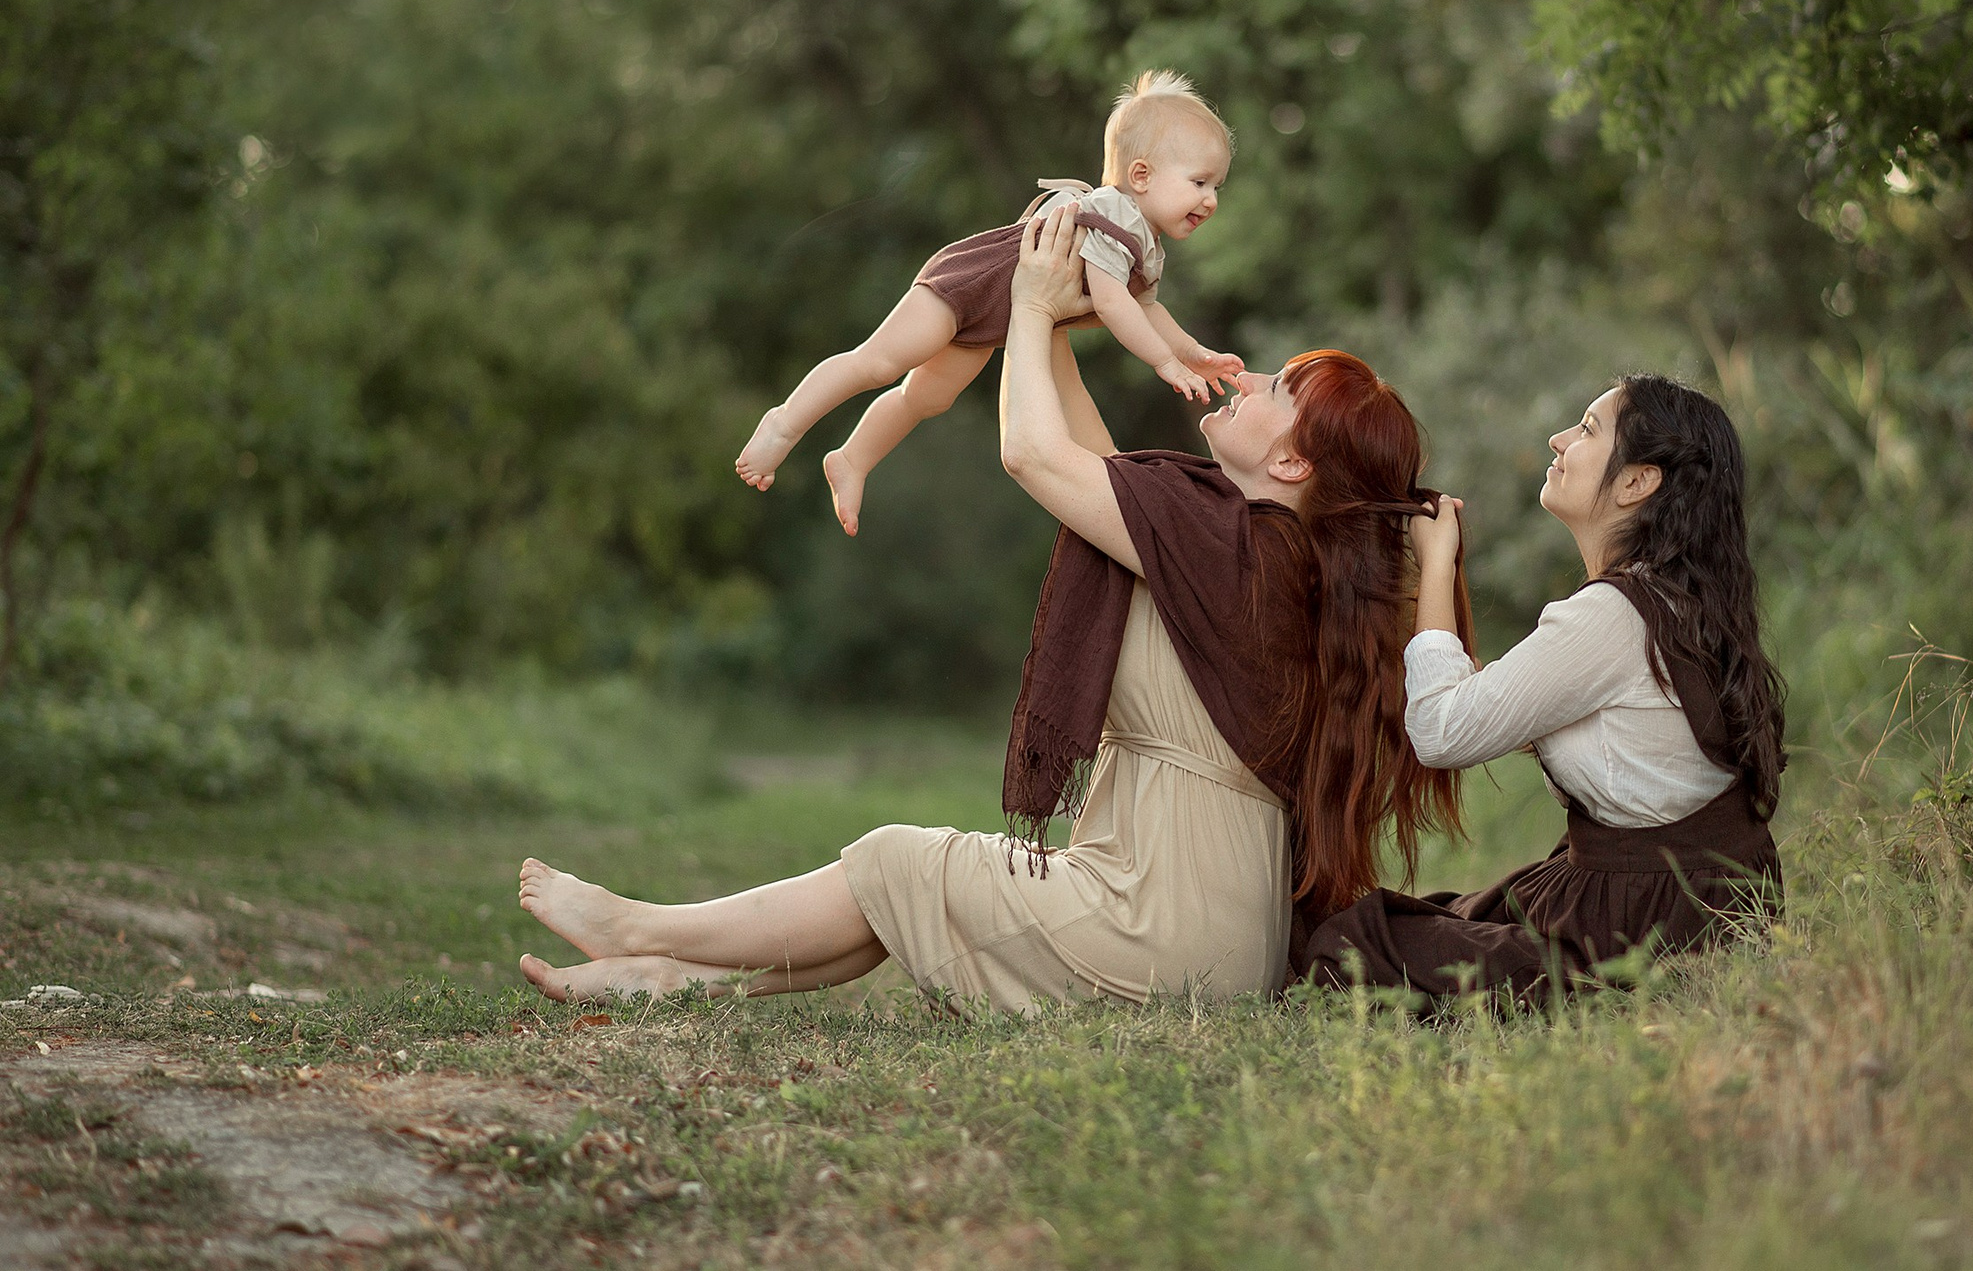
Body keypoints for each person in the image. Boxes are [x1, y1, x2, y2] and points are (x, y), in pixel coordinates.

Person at [516, 205, 1460, 1007]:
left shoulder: (1242, 545)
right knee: (909, 891)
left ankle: (639, 925)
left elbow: (1034, 455)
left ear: (1291, 461)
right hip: (1207, 931)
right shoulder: (1247, 547)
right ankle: (666, 977)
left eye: (1276, 390)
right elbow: (1090, 464)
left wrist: (1031, 304)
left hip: (1160, 922)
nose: (1247, 378)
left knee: (897, 859)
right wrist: (1047, 311)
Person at [1298, 374, 1786, 1005]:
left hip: (1644, 924)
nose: (1559, 439)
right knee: (1437, 915)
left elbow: (1441, 732)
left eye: (1587, 429)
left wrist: (1436, 561)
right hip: (1690, 903)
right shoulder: (1674, 599)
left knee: (1352, 943)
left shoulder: (1611, 615)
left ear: (1637, 482)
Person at [734, 70, 1248, 536]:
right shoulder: (1115, 216)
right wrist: (1163, 362)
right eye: (1199, 182)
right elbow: (1115, 305)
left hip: (994, 317)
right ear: (1141, 176)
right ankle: (783, 423)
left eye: (1216, 186)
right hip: (968, 283)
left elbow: (1148, 309)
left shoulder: (1145, 242)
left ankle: (852, 458)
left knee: (927, 398)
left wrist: (1190, 352)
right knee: (880, 362)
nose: (1211, 200)